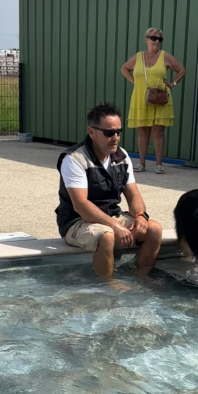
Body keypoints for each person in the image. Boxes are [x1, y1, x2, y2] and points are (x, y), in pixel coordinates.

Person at [56, 102, 163, 278]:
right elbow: (81, 205)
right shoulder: (74, 159)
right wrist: (115, 226)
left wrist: (140, 216)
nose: (115, 137)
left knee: (154, 229)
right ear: (91, 132)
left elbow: (133, 194)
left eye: (118, 132)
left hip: (111, 215)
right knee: (106, 236)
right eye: (109, 133)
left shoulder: (122, 156)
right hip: (77, 222)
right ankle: (107, 285)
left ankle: (142, 277)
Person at [120, 27, 186, 175]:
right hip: (140, 96)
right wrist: (134, 81)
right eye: (153, 38)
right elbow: (124, 68)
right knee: (142, 130)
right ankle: (141, 163)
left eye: (159, 39)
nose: (156, 41)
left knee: (158, 131)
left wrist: (173, 83)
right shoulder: (138, 57)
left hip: (160, 97)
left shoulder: (165, 56)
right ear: (146, 39)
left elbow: (181, 69)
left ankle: (158, 164)